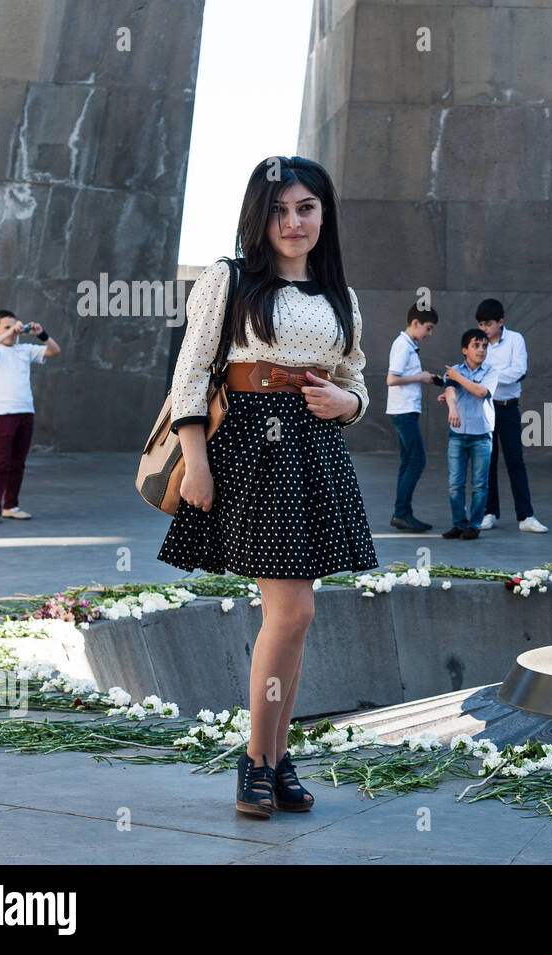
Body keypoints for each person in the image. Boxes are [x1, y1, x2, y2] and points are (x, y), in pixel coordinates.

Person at [157, 156, 378, 818]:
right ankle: (258, 758)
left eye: (306, 207)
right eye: (279, 210)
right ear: (260, 215)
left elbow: (357, 377)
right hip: (249, 450)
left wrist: (350, 404)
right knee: (293, 612)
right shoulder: (229, 280)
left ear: (323, 214)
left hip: (313, 451)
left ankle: (275, 757)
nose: (293, 221)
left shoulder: (342, 296)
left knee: (295, 617)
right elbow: (192, 371)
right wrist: (195, 459)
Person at [0, 310, 61, 523]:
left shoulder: (24, 350)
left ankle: (11, 505)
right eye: (6, 327)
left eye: (14, 327)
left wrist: (41, 334)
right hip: (3, 413)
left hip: (26, 412)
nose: (13, 331)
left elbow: (54, 351)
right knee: (0, 462)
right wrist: (7, 334)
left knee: (18, 462)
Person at [475, 300, 548, 533]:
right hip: (485, 407)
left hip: (508, 408)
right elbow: (473, 372)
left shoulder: (515, 340)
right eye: (481, 324)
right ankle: (489, 512)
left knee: (515, 461)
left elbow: (519, 372)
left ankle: (526, 516)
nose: (484, 329)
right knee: (488, 462)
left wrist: (489, 377)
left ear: (501, 322)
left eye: (488, 324)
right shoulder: (479, 343)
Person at [442, 328, 499, 539]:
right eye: (476, 345)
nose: (481, 350)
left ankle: (474, 525)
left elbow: (481, 392)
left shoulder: (491, 371)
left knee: (479, 484)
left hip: (482, 434)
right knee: (455, 483)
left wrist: (458, 378)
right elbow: (450, 389)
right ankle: (459, 523)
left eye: (485, 346)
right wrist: (452, 407)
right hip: (457, 433)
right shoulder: (455, 370)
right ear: (465, 349)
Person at [386, 304, 439, 532]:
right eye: (428, 328)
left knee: (408, 462)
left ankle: (403, 513)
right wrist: (420, 377)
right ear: (415, 323)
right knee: (417, 461)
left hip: (404, 410)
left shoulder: (408, 345)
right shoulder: (403, 346)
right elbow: (391, 379)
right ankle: (401, 513)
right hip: (403, 411)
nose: (429, 333)